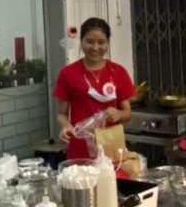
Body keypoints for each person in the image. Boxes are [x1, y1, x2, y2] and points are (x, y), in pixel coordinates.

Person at [54, 17, 134, 162]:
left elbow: (127, 114)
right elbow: (61, 114)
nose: (95, 48)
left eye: (101, 42)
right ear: (81, 41)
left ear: (108, 43)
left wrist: (118, 114)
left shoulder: (118, 72)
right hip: (80, 146)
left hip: (111, 146)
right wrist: (66, 126)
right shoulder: (68, 73)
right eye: (90, 41)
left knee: (111, 176)